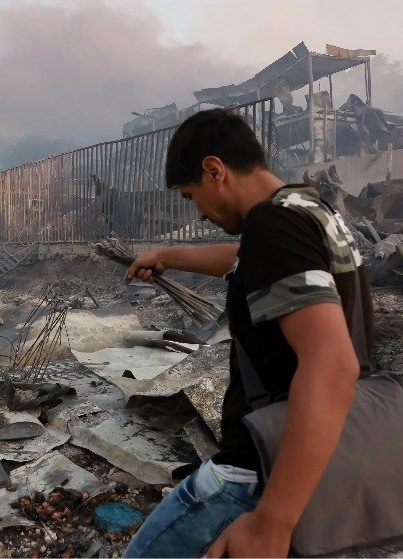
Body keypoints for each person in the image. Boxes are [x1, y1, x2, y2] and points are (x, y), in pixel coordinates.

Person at [122, 108, 373, 558]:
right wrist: (167, 255)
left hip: (257, 471)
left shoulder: (272, 226)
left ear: (214, 170)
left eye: (189, 195)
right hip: (321, 457)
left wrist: (271, 521)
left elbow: (333, 365)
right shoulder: (307, 210)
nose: (198, 213)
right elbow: (245, 257)